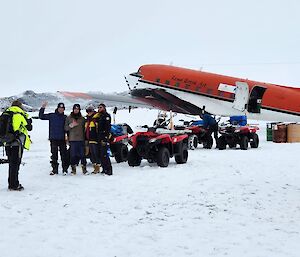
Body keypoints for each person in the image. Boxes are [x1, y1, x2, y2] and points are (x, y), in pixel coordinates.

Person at [5, 100, 32, 191]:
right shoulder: (19, 114)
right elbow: (29, 127)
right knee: (15, 164)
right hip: (17, 143)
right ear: (20, 106)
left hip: (7, 142)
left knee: (11, 164)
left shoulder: (6, 114)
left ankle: (11, 183)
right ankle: (14, 184)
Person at [39, 102, 69, 175]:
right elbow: (41, 116)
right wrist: (42, 108)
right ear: (57, 108)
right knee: (54, 155)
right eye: (60, 108)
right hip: (53, 139)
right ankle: (54, 169)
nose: (61, 109)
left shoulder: (65, 117)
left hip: (62, 139)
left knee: (64, 155)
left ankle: (65, 169)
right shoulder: (52, 115)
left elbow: (67, 128)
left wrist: (68, 137)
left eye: (62, 108)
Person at [65, 104, 87, 175]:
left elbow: (85, 129)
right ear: (73, 109)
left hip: (81, 139)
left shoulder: (82, 119)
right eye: (75, 109)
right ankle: (73, 169)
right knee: (73, 155)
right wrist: (71, 125)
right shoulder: (69, 118)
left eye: (77, 109)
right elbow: (65, 128)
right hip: (73, 139)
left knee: (82, 155)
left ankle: (84, 169)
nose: (76, 110)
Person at [85, 104, 101, 174]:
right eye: (88, 111)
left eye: (90, 111)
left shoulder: (96, 119)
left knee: (96, 154)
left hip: (95, 139)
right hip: (89, 139)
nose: (89, 112)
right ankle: (95, 168)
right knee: (92, 155)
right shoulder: (87, 120)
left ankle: (98, 168)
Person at [97, 103, 112, 175]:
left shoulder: (106, 116)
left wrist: (106, 138)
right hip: (99, 137)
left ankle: (109, 169)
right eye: (98, 107)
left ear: (104, 108)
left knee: (105, 154)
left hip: (104, 137)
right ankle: (104, 168)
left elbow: (108, 128)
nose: (99, 109)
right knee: (101, 155)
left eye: (101, 107)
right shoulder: (99, 116)